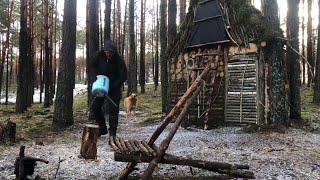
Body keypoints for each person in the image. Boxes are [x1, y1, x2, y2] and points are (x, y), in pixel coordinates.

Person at [90, 40, 127, 138]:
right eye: (107, 52)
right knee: (95, 107)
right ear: (104, 51)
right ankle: (102, 128)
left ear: (114, 52)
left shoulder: (119, 60)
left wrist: (113, 85)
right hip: (101, 85)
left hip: (114, 87)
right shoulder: (98, 55)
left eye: (111, 53)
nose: (108, 54)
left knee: (113, 111)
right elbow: (92, 67)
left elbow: (123, 76)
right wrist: (96, 77)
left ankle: (112, 133)